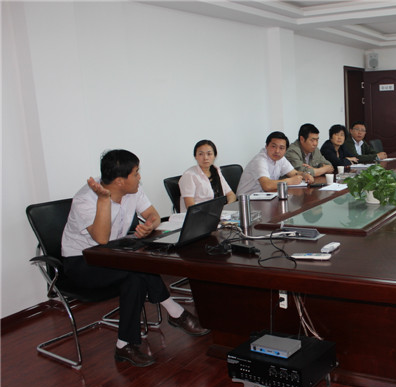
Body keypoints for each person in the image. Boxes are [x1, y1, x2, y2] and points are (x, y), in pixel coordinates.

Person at [61, 150, 209, 367]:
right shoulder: (85, 199)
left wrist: (149, 226)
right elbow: (101, 239)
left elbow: (154, 216)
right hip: (82, 262)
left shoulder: (133, 190)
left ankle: (124, 345)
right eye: (136, 173)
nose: (140, 177)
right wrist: (104, 200)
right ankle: (174, 311)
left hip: (114, 254)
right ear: (120, 181)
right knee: (136, 269)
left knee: (135, 275)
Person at [236, 131, 313, 195]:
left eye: (281, 148)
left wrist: (304, 175)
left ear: (285, 150)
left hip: (265, 197)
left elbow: (293, 173)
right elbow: (267, 185)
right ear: (266, 146)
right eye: (273, 146)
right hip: (246, 201)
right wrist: (289, 181)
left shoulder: (281, 159)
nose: (277, 151)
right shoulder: (259, 160)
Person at [178, 140, 236, 212]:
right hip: (198, 215)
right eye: (201, 154)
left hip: (219, 213)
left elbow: (231, 195)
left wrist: (226, 208)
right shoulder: (189, 175)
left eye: (209, 154)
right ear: (195, 156)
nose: (205, 158)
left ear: (215, 156)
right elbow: (190, 206)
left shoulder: (216, 171)